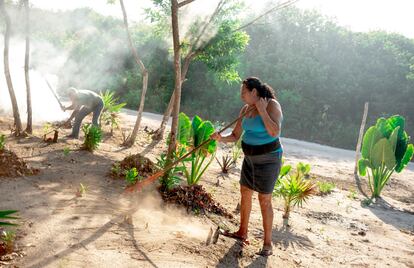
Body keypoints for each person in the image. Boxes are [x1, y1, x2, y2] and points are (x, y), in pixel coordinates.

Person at [211, 77, 283, 257]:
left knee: (264, 200)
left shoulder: (272, 105)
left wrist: (262, 110)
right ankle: (242, 232)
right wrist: (221, 138)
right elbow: (235, 135)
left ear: (254, 92)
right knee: (245, 193)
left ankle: (268, 244)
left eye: (243, 91)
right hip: (250, 159)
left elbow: (274, 132)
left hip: (269, 159)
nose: (241, 95)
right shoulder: (245, 109)